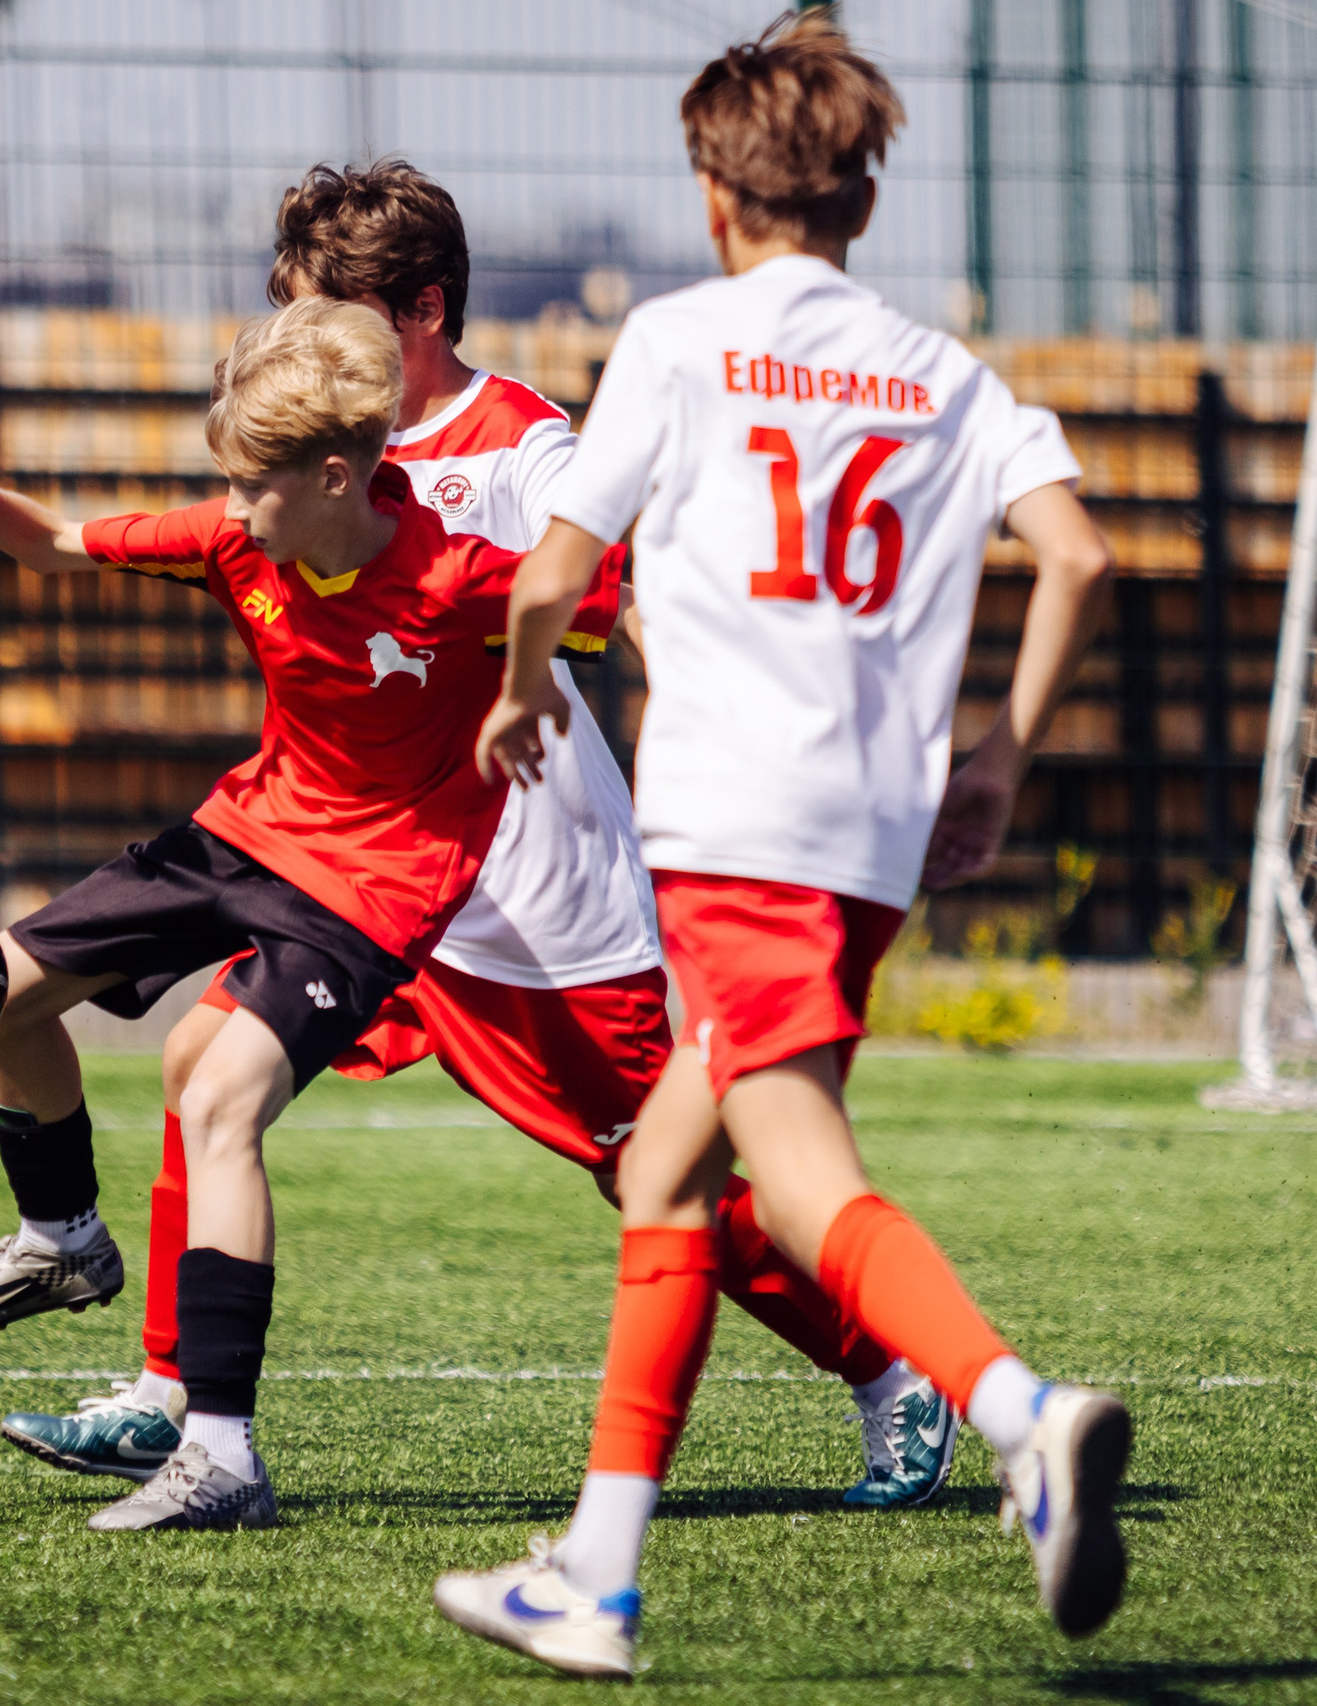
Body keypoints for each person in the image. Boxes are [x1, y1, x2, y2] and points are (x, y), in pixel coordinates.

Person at [0, 161, 961, 1511]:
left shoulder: (531, 453)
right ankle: (175, 1404)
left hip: (533, 905)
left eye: (328, 310)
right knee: (208, 1064)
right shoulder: (316, 454)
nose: (299, 337)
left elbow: (642, 596)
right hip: (359, 882)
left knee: (656, 1172)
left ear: (421, 313)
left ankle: (895, 1371)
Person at [433, 14, 1128, 1678]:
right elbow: (1082, 558)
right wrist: (1006, 754)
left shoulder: (681, 341)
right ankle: (595, 1574)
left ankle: (1021, 1410)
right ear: (864, 203)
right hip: (873, 836)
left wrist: (525, 694)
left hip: (735, 823)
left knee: (800, 1167)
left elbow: (549, 572)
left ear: (712, 194)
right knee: (667, 1173)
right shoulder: (942, 370)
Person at [0, 296, 614, 1530]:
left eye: (252, 486)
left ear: (337, 475)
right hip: (245, 833)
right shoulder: (239, 540)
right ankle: (63, 1233)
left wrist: (528, 680)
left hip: (375, 890)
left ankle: (219, 1451)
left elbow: (598, 591)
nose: (231, 508)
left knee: (219, 1094)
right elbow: (61, 544)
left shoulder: (457, 574)